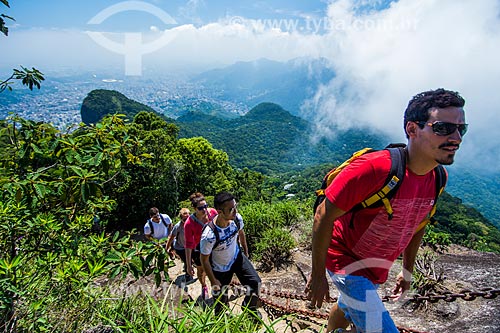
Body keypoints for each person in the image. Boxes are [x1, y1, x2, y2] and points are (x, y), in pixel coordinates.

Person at [306, 88, 467, 333]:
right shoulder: (374, 169)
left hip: (375, 266)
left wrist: (407, 271)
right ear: (412, 129)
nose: (456, 137)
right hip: (344, 259)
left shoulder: (437, 178)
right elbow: (323, 215)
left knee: (349, 306)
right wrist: (317, 275)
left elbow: (417, 226)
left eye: (461, 129)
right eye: (443, 128)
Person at [199, 191, 261, 316]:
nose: (235, 211)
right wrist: (213, 280)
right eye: (231, 209)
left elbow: (241, 234)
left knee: (255, 283)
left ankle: (249, 310)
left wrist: (246, 252)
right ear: (220, 212)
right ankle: (221, 320)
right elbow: (204, 260)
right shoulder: (209, 235)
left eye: (235, 206)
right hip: (219, 268)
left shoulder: (236, 219)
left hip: (237, 258)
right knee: (220, 301)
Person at [184, 192, 218, 300]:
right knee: (201, 270)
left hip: (214, 246)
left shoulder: (212, 212)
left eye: (205, 206)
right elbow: (188, 245)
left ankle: (216, 287)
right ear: (194, 209)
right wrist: (189, 264)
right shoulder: (189, 223)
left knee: (216, 269)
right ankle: (203, 285)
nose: (204, 210)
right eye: (200, 208)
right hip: (199, 249)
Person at [166, 208, 192, 282]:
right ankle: (188, 274)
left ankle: (188, 268)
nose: (186, 221)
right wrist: (167, 247)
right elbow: (171, 237)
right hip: (180, 247)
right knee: (187, 261)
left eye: (188, 219)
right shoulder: (178, 226)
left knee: (190, 260)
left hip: (190, 246)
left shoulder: (192, 224)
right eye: (184, 220)